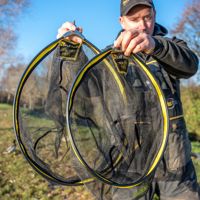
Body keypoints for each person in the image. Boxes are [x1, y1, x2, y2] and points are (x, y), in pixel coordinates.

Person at [55, 0, 199, 199]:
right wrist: (73, 52)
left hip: (176, 165)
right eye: (134, 19)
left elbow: (190, 65)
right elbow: (85, 95)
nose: (142, 25)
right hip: (127, 167)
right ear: (122, 21)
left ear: (155, 15)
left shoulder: (171, 46)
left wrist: (154, 45)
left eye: (147, 17)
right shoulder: (107, 58)